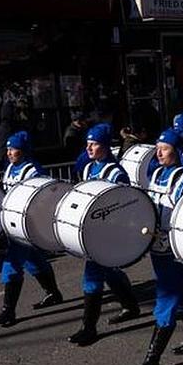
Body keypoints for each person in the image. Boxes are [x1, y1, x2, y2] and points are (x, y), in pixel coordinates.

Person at [135, 128, 183, 365]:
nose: (158, 152)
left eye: (164, 148)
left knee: (166, 297)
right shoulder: (156, 172)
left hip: (173, 247)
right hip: (156, 245)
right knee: (178, 291)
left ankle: (151, 360)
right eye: (157, 147)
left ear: (176, 152)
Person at [67, 124, 142, 346]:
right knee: (109, 271)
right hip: (94, 231)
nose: (89, 148)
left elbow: (123, 205)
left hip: (107, 234)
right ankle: (131, 306)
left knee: (92, 278)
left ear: (105, 146)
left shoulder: (116, 173)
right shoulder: (90, 168)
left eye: (94, 144)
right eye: (87, 144)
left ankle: (88, 328)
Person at [0, 131, 63, 327]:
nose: (9, 153)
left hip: (26, 225)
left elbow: (43, 197)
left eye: (13, 149)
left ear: (23, 150)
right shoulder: (10, 167)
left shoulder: (33, 171)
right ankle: (53, 293)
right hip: (12, 222)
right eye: (8, 149)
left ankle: (8, 311)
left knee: (11, 264)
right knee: (33, 260)